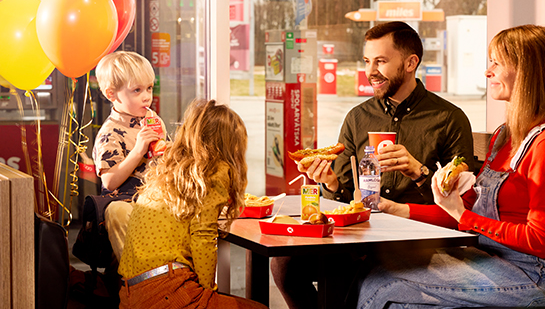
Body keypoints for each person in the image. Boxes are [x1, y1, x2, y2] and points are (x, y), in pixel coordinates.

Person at [356, 24, 545, 309]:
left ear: (527, 71)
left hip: (537, 275)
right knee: (386, 279)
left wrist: (463, 215)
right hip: (495, 259)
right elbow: (462, 215)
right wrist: (389, 207)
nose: (488, 72)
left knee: (383, 284)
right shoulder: (504, 135)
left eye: (496, 63)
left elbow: (539, 241)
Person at [271, 21, 475, 309]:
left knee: (350, 270)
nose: (370, 72)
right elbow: (339, 195)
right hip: (360, 232)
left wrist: (419, 172)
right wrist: (328, 181)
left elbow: (462, 206)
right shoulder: (357, 117)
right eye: (367, 61)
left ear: (410, 62)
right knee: (285, 265)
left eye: (381, 61)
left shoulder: (448, 118)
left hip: (414, 236)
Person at [118, 99, 266, 309]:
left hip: (130, 293)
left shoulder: (170, 167)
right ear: (229, 143)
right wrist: (207, 293)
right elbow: (203, 237)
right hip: (166, 290)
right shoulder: (213, 171)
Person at [92, 51, 166, 261]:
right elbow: (110, 181)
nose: (147, 96)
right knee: (118, 211)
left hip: (154, 200)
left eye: (149, 88)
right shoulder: (110, 132)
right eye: (137, 90)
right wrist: (138, 150)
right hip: (126, 203)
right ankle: (139, 279)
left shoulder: (152, 120)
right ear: (111, 94)